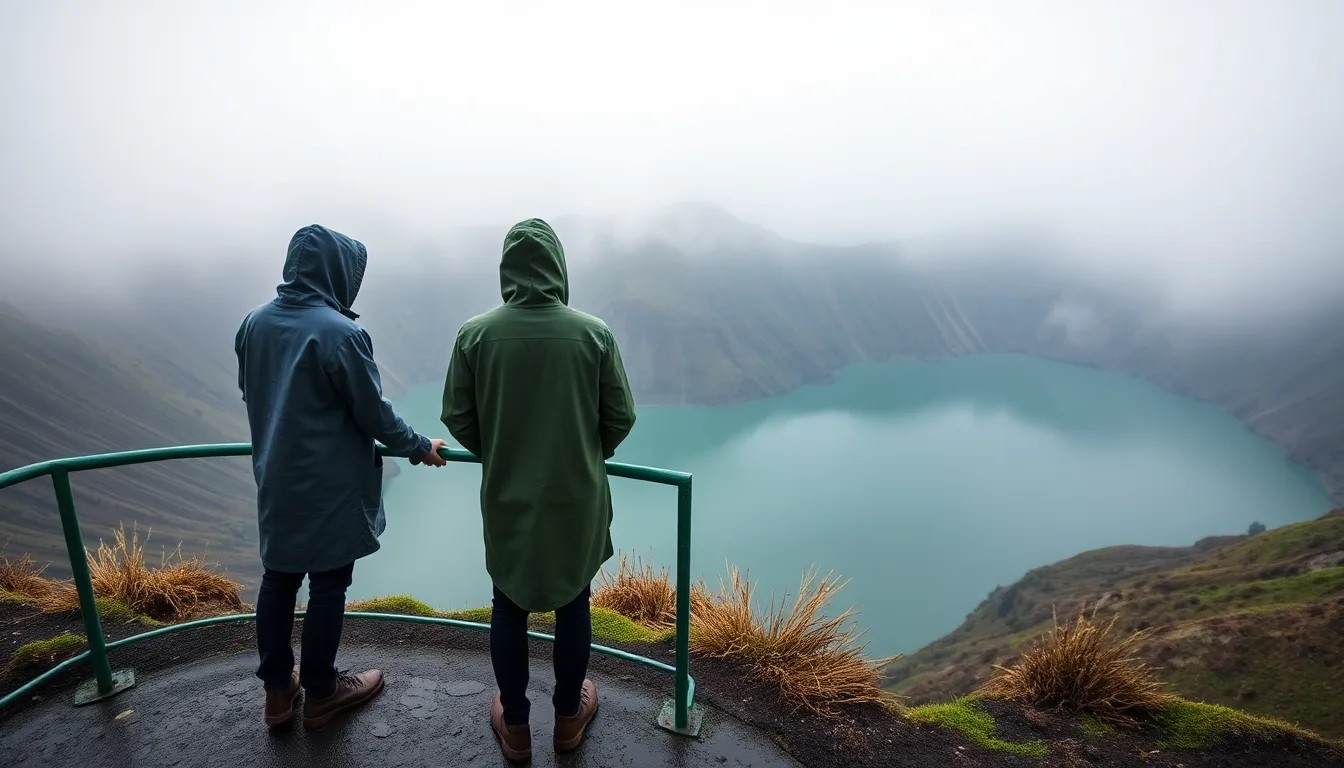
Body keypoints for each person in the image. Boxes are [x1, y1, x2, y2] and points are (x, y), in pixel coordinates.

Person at [235, 224, 449, 729]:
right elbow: (373, 412)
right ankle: (324, 690)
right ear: (336, 272)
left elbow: (254, 392)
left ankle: (277, 693)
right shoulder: (341, 333)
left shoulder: (253, 324)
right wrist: (419, 447)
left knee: (279, 577)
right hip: (328, 485)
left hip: (275, 477)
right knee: (329, 584)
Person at [442, 218, 636, 761]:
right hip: (577, 495)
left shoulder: (474, 335)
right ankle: (569, 718)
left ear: (506, 266)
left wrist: (501, 447)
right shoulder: (593, 334)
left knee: (508, 604)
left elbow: (458, 416)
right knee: (575, 601)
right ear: (558, 266)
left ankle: (518, 727)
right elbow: (619, 417)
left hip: (508, 494)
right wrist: (586, 451)